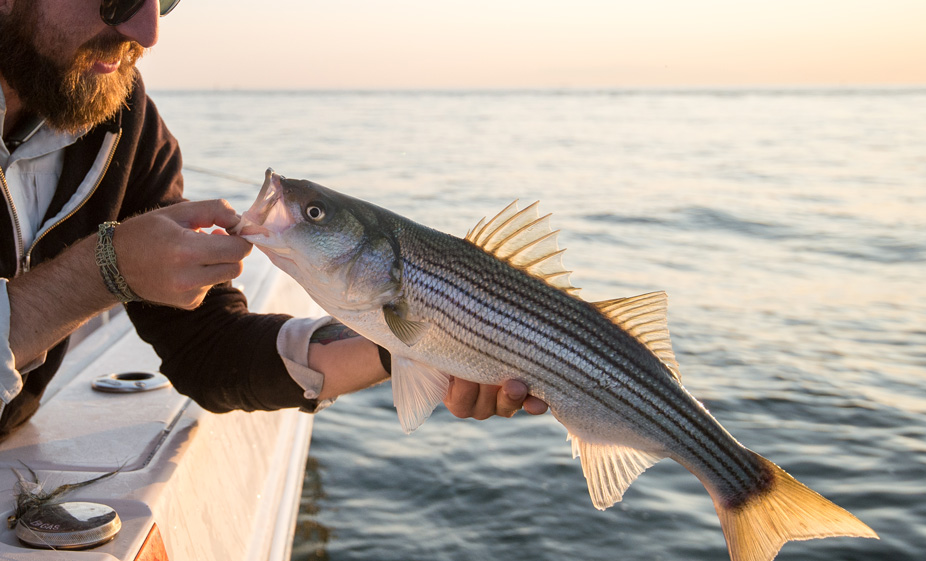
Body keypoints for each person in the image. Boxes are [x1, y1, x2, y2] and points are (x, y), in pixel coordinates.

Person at [0, 0, 547, 439]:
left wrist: (415, 345)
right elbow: (106, 272)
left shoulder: (123, 122)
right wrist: (105, 271)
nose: (148, 32)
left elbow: (208, 351)